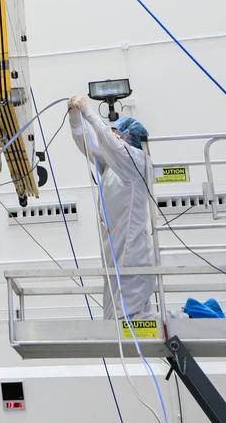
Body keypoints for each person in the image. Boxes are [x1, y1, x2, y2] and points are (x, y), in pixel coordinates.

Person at [68, 95, 156, 320]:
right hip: (117, 255)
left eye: (116, 132)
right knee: (117, 319)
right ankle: (186, 316)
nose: (112, 135)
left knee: (125, 320)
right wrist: (75, 118)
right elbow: (88, 145)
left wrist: (89, 113)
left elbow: (112, 145)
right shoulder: (112, 167)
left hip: (132, 255)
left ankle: (190, 317)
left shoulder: (137, 162)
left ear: (128, 138)